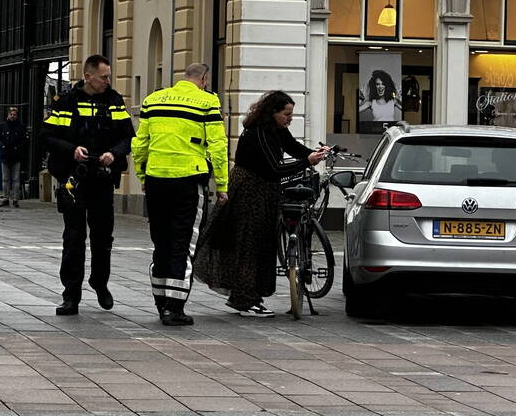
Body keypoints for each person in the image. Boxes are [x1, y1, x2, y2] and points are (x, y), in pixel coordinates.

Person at [194, 91, 328, 317]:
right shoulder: (259, 132)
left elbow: (293, 146)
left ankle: (247, 296)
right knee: (250, 244)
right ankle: (245, 300)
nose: (290, 118)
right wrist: (306, 161)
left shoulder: (275, 129)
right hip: (250, 192)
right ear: (272, 112)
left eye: (291, 114)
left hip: (264, 190)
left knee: (260, 243)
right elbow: (274, 168)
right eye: (286, 114)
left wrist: (313, 153)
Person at [131, 62, 228, 326]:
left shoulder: (153, 100)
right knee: (183, 243)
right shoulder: (207, 102)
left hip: (156, 179)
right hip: (188, 181)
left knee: (161, 242)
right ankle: (174, 308)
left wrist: (143, 176)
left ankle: (160, 301)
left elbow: (140, 144)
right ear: (204, 79)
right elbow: (218, 146)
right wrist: (222, 185)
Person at [42, 54, 134, 316]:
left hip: (102, 179)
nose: (107, 81)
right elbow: (46, 136)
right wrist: (72, 150)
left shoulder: (114, 101)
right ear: (88, 76)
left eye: (109, 76)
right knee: (74, 237)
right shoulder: (66, 102)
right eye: (103, 77)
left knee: (103, 237)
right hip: (74, 180)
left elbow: (128, 137)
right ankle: (71, 295)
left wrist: (114, 153)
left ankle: (99, 282)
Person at [0, 106, 27, 208]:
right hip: (5, 155)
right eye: (11, 114)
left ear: (17, 116)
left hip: (16, 155)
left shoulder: (21, 126)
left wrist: (18, 148)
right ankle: (5, 198)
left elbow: (24, 140)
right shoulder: (2, 126)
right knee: (5, 179)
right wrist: (2, 146)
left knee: (15, 179)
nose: (12, 116)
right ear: (8, 115)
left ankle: (15, 199)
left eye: (14, 114)